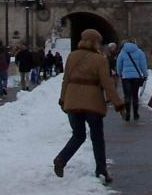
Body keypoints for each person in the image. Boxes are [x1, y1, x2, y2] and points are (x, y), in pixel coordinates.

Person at [53, 29, 124, 184]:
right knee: (97, 137)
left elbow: (66, 79)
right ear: (95, 42)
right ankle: (101, 169)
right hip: (92, 102)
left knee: (78, 135)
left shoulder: (72, 56)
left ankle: (61, 159)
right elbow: (107, 84)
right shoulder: (100, 60)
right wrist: (118, 104)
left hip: (72, 100)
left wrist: (63, 98)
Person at [115, 39, 148, 121]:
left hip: (126, 77)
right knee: (135, 96)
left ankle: (128, 114)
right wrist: (145, 74)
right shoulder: (140, 52)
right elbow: (143, 64)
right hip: (136, 76)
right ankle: (136, 114)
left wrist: (120, 73)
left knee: (127, 96)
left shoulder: (122, 52)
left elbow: (119, 64)